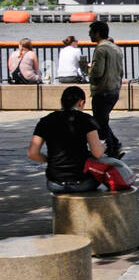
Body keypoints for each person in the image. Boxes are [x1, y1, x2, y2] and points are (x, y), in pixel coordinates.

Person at [28, 86, 105, 193]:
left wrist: (49, 159)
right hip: (82, 182)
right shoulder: (86, 119)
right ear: (81, 103)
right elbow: (97, 153)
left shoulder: (45, 121)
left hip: (55, 183)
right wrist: (103, 147)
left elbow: (32, 153)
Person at [87, 21, 125, 159]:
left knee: (99, 123)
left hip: (102, 90)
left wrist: (87, 68)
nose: (89, 35)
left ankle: (112, 148)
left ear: (97, 33)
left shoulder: (100, 49)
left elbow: (97, 73)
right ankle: (114, 146)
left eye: (90, 32)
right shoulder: (115, 48)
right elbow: (120, 71)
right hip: (114, 89)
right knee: (102, 121)